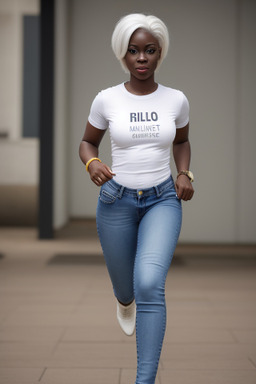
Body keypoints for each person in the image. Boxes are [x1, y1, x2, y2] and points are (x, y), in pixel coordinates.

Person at [79, 13, 194, 384]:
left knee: (149, 284)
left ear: (160, 54)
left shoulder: (176, 100)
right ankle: (124, 300)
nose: (141, 58)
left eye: (149, 50)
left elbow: (181, 141)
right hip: (116, 201)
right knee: (127, 287)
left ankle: (144, 380)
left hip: (162, 200)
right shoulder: (106, 99)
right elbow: (87, 143)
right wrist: (92, 162)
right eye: (133, 51)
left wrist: (184, 173)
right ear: (123, 56)